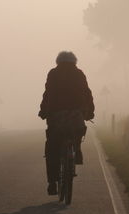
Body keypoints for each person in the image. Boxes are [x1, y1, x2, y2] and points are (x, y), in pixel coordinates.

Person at [38, 51, 95, 195]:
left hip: (56, 116)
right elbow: (87, 93)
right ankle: (76, 150)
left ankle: (52, 182)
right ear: (74, 62)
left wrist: (43, 111)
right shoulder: (79, 74)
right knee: (78, 131)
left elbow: (48, 94)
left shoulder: (53, 73)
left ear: (58, 61)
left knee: (52, 148)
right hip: (76, 115)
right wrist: (90, 112)